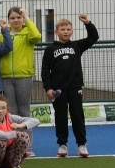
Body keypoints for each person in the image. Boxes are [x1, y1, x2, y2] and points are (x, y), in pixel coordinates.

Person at [41, 13, 99, 158]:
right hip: (58, 90)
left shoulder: (77, 46)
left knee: (77, 116)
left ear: (72, 32)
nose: (65, 32)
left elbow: (93, 38)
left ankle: (81, 145)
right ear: (56, 32)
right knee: (60, 117)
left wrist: (88, 23)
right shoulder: (50, 49)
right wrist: (48, 88)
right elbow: (44, 71)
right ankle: (62, 145)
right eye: (62, 29)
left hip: (75, 87)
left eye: (68, 29)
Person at [0, 6, 42, 148]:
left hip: (24, 77)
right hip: (6, 77)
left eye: (19, 17)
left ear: (22, 19)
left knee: (24, 111)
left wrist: (27, 18)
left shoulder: (28, 32)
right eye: (12, 18)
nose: (16, 20)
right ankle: (15, 144)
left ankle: (27, 146)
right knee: (12, 112)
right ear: (8, 20)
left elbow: (36, 36)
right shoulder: (2, 34)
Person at [0, 95, 39, 168]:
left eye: (3, 108)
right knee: (0, 141)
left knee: (24, 136)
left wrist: (19, 126)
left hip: (9, 151)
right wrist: (15, 133)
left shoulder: (10, 117)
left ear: (7, 109)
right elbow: (3, 136)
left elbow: (36, 121)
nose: (0, 111)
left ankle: (15, 166)